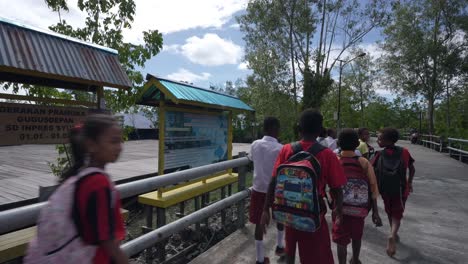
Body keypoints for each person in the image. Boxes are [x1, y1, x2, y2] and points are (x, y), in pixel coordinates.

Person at [25, 114, 128, 264]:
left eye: (120, 140)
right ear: (91, 145)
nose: (120, 147)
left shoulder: (81, 175)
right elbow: (107, 241)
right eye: (113, 141)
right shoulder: (98, 183)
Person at [261, 109, 346, 264]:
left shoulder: (286, 149)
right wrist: (338, 211)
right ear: (320, 130)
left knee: (290, 250)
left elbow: (274, 181)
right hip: (314, 215)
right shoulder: (327, 154)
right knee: (317, 256)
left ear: (299, 128)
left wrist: (266, 209)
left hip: (290, 212)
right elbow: (337, 189)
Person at [333, 129, 382, 264]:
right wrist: (375, 213)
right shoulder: (364, 162)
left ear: (338, 143)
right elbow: (372, 187)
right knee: (356, 236)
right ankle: (355, 259)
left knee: (341, 240)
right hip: (358, 210)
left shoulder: (335, 161)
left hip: (339, 209)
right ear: (356, 144)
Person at [372, 128, 415, 257]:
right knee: (397, 212)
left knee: (390, 210)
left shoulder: (378, 154)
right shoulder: (404, 152)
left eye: (380, 138)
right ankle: (392, 234)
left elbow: (371, 170)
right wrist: (410, 182)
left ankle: (393, 233)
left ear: (388, 141)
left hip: (385, 189)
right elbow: (412, 168)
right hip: (401, 189)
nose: (378, 140)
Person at [249, 117, 285, 264]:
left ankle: (259, 259)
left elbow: (251, 158)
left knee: (259, 222)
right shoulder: (281, 148)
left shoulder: (255, 144)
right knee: (281, 218)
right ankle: (280, 246)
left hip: (258, 189)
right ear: (275, 129)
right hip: (276, 190)